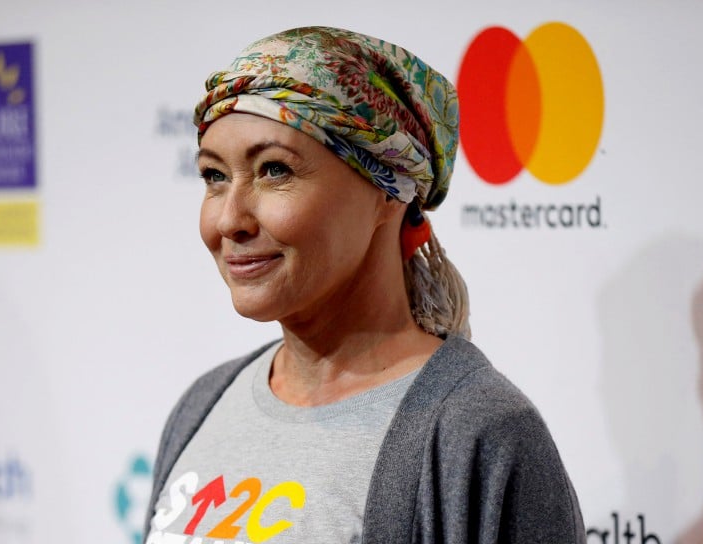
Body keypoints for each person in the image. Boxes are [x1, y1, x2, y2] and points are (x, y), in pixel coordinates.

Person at [144, 26, 585, 544]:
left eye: (274, 170)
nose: (229, 220)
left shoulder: (478, 431)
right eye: (215, 176)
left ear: (388, 191)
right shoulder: (205, 404)